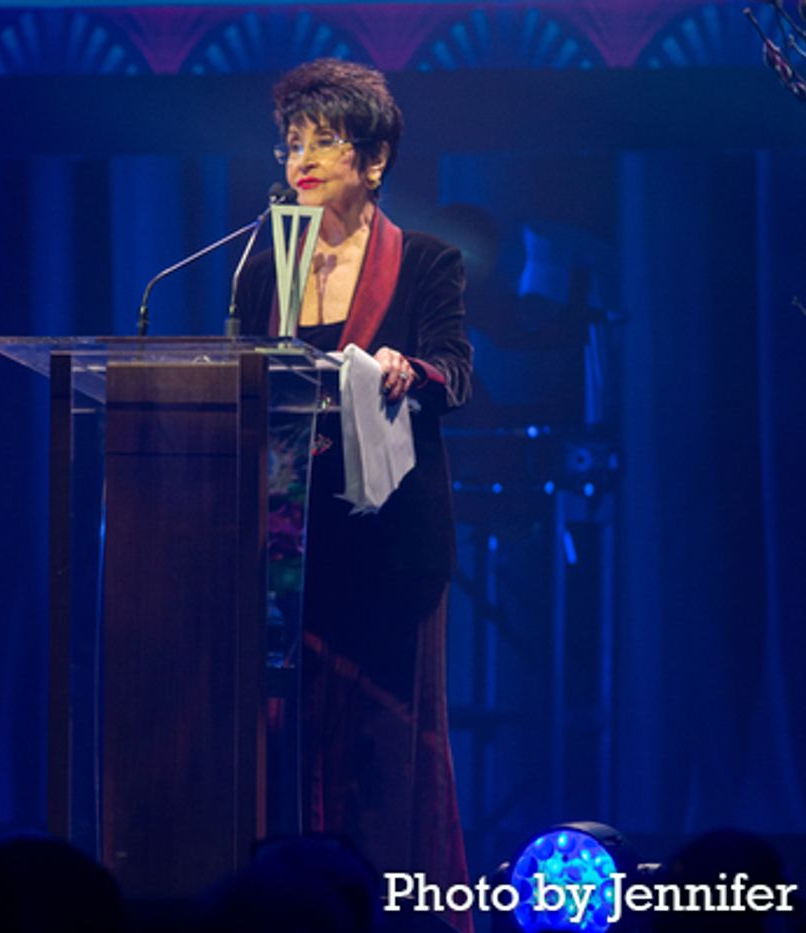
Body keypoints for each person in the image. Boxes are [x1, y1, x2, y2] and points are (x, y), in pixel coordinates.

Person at [234, 58, 473, 933]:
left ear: (373, 161)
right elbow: (243, 379)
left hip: (388, 542)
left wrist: (414, 371)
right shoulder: (264, 264)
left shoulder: (427, 260)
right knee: (287, 740)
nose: (300, 158)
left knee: (382, 747)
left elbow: (458, 374)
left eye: (324, 141)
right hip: (288, 536)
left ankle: (399, 914)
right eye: (292, 141)